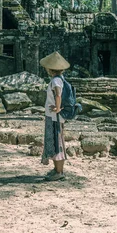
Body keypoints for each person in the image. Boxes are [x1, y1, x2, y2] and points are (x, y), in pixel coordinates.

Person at [39, 51, 70, 181]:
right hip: (54, 116)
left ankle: (59, 172)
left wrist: (57, 108)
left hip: (54, 117)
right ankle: (57, 169)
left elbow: (58, 94)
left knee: (57, 143)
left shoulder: (56, 81)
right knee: (56, 142)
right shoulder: (59, 79)